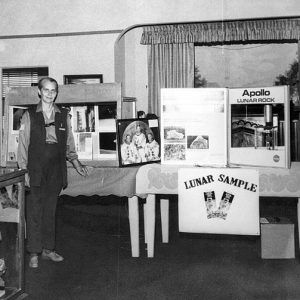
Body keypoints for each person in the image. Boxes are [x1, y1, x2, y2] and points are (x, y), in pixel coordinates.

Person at [17, 77, 88, 268]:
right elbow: (23, 145)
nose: (49, 94)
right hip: (35, 168)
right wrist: (24, 171)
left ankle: (48, 250)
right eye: (46, 90)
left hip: (56, 169)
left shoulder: (63, 114)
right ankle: (34, 251)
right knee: (34, 211)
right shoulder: (29, 115)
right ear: (39, 92)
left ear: (57, 93)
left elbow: (69, 144)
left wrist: (76, 163)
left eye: (53, 90)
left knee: (50, 210)